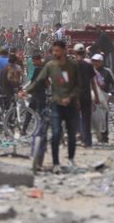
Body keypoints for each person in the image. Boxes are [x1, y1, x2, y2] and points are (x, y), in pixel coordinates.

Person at [20, 40, 80, 173]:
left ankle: (70, 158)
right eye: (54, 51)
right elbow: (38, 81)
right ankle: (56, 162)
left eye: (57, 50)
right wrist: (26, 91)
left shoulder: (73, 66)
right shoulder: (50, 66)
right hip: (56, 104)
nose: (55, 53)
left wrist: (70, 97)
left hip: (70, 105)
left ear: (64, 50)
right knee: (56, 134)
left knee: (70, 134)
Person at [73, 44, 100, 148]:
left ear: (75, 53)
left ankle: (77, 136)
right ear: (84, 53)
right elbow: (93, 82)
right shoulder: (88, 66)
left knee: (75, 118)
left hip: (76, 96)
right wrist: (96, 96)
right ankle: (87, 142)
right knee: (86, 119)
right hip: (86, 96)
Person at [91, 53, 114, 143]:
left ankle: (104, 136)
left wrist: (111, 93)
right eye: (94, 61)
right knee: (94, 116)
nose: (95, 63)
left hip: (104, 96)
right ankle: (97, 134)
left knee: (104, 116)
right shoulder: (91, 71)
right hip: (93, 96)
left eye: (97, 61)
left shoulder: (107, 71)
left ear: (101, 62)